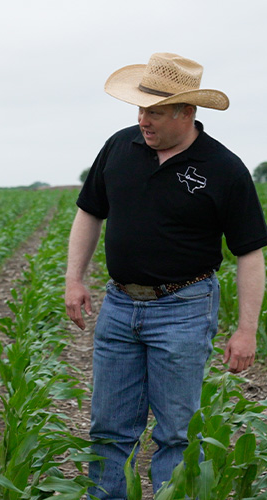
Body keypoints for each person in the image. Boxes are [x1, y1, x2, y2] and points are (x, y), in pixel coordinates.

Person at [64, 52, 267, 498]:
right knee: (109, 428)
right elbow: (89, 212)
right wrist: (74, 279)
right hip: (118, 307)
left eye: (154, 112)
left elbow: (250, 254)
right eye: (140, 109)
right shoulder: (120, 147)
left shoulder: (224, 169)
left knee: (176, 432)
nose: (143, 120)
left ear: (186, 112)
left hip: (184, 308)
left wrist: (246, 329)